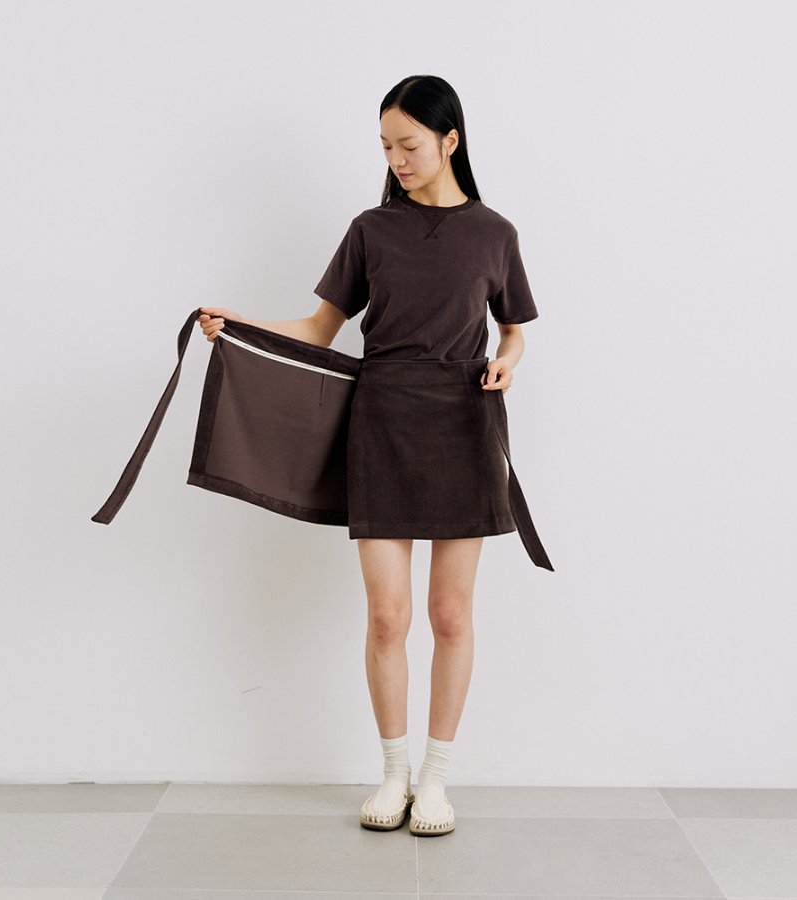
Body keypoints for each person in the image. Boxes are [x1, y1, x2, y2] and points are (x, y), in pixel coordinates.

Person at [196, 75, 541, 837]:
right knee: (387, 616)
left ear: (451, 140)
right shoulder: (370, 230)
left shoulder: (495, 233)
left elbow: (514, 329)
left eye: (409, 145)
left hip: (464, 424)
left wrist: (508, 361)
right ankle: (393, 775)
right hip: (380, 421)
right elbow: (320, 329)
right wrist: (240, 326)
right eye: (386, 147)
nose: (397, 160)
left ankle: (436, 780)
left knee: (450, 615)